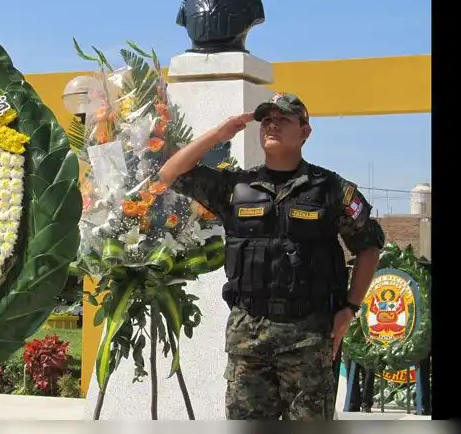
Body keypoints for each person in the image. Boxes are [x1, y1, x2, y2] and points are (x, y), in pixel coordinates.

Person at [158, 92, 385, 420]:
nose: (272, 126)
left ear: (305, 132)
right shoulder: (236, 187)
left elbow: (369, 247)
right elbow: (170, 174)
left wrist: (350, 309)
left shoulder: (331, 189)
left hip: (309, 336)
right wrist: (219, 134)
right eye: (266, 121)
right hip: (248, 336)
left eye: (283, 120)